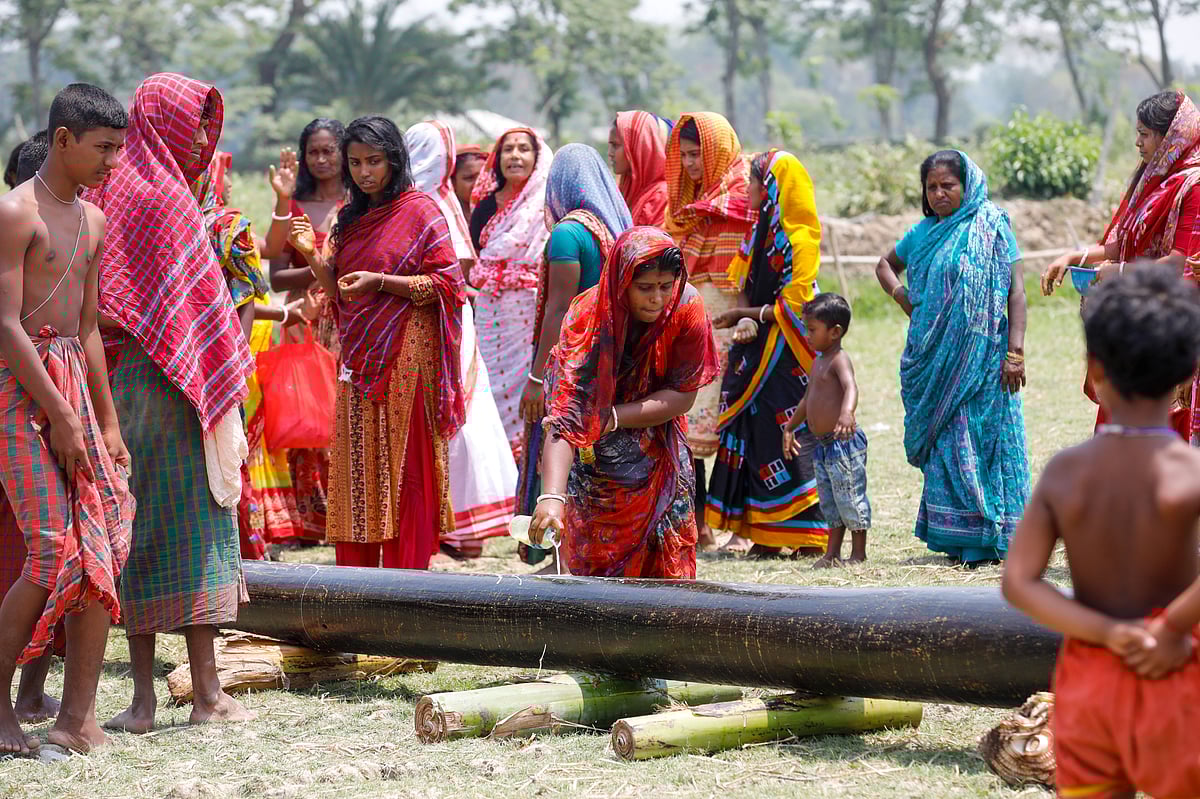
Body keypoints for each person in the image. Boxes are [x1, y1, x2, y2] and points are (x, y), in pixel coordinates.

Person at [89, 73, 255, 733]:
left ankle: (141, 700)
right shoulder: (165, 197)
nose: (199, 138)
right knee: (196, 535)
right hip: (177, 395)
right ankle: (209, 694)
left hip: (123, 384)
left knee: (135, 537)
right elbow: (196, 313)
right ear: (164, 121)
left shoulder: (106, 188)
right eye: (192, 122)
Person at [1002, 263, 1200, 799]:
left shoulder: (1068, 472)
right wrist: (1170, 628)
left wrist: (1106, 633)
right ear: (1187, 373)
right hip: (1174, 672)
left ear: (1095, 368)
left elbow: (1018, 583)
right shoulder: (1188, 470)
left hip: (1091, 676)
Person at [0, 83, 135, 754]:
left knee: (104, 544)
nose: (114, 161)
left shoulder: (95, 221)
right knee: (52, 547)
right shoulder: (14, 213)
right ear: (62, 140)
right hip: (17, 394)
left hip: (75, 392)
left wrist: (104, 425)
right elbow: (4, 324)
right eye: (104, 148)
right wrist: (58, 414)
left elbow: (85, 331)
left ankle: (75, 720)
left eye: (120, 148)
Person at [288, 116, 466, 569]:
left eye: (374, 161)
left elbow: (447, 285)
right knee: (358, 471)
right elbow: (339, 292)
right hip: (359, 358)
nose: (365, 172)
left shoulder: (421, 210)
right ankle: (359, 590)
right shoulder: (351, 217)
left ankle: (407, 584)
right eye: (356, 163)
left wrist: (384, 282)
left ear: (394, 160)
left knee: (406, 471)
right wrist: (312, 254)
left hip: (410, 356)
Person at [529, 227, 719, 578]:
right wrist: (551, 497)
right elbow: (567, 417)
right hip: (597, 456)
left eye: (666, 286)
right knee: (600, 564)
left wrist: (612, 417)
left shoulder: (686, 307)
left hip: (658, 446)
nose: (657, 299)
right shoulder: (589, 320)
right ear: (621, 282)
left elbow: (683, 395)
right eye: (645, 288)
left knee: (665, 565)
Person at [875, 150, 1030, 567]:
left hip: (984, 361)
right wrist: (903, 297)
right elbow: (885, 266)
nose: (940, 194)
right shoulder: (922, 234)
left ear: (968, 185)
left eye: (949, 185)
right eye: (932, 187)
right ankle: (955, 537)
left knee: (980, 440)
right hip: (933, 359)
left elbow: (1016, 292)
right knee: (947, 444)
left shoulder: (993, 226)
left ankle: (989, 537)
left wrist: (1014, 353)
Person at [1042, 90, 1200, 441]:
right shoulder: (1154, 181)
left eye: (1145, 134)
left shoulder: (1193, 185)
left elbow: (1182, 262)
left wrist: (1121, 272)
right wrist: (1073, 257)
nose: (1138, 142)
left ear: (1171, 135)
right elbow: (1121, 243)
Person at [705, 150, 828, 558]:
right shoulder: (756, 229)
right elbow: (742, 278)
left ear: (772, 186)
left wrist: (745, 313)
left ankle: (808, 534)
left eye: (754, 181)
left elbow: (796, 306)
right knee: (756, 438)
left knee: (787, 435)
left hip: (788, 352)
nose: (748, 188)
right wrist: (745, 319)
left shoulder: (801, 239)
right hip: (755, 344)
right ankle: (766, 534)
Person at [405, 120, 516, 558]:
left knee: (455, 411)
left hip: (441, 323)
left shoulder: (428, 204)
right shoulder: (435, 204)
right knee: (456, 412)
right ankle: (453, 526)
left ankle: (454, 524)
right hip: (448, 321)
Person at [516, 144, 632, 555]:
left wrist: (534, 379)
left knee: (561, 441)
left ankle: (557, 548)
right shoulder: (613, 228)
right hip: (610, 356)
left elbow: (559, 308)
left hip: (572, 359)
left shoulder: (568, 233)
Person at [191, 150, 304, 560]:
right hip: (230, 350)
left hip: (238, 348)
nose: (230, 183)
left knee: (241, 443)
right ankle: (235, 547)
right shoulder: (202, 226)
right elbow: (241, 297)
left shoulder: (225, 226)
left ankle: (241, 544)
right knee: (232, 445)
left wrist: (281, 201)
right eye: (224, 175)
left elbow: (271, 249)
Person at [663, 113, 756, 550]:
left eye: (699, 153)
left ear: (718, 151)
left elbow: (757, 271)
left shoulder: (745, 198)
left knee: (739, 422)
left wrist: (746, 321)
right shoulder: (686, 207)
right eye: (684, 156)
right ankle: (698, 525)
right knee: (692, 423)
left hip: (737, 323)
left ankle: (741, 528)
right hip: (693, 324)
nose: (692, 164)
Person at [0, 127, 61, 728]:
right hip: (19, 401)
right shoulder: (19, 226)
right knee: (41, 549)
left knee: (41, 550)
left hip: (38, 396)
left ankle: (28, 693)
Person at [269, 118, 348, 547]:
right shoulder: (294, 206)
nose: (321, 159)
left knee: (341, 415)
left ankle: (343, 516)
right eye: (313, 152)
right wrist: (316, 263)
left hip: (346, 321)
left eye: (329, 150)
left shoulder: (359, 204)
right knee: (303, 416)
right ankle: (307, 521)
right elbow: (277, 278)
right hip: (302, 320)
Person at [469, 127, 553, 457]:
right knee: (487, 383)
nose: (515, 156)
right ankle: (494, 464)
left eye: (523, 149)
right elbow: (478, 255)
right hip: (490, 309)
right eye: (508, 150)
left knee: (525, 387)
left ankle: (523, 464)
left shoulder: (544, 204)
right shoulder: (486, 204)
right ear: (497, 158)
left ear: (537, 158)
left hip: (529, 309)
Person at [782, 293, 870, 568]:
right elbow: (808, 400)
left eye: (812, 330)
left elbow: (851, 387)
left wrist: (847, 412)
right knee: (830, 500)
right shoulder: (818, 360)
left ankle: (858, 553)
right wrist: (790, 427)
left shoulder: (839, 360)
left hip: (842, 443)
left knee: (849, 497)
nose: (807, 335)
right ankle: (832, 553)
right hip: (822, 446)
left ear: (835, 332)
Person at [609, 111, 672, 227]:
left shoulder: (661, 196)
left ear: (636, 147)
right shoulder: (626, 188)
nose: (610, 153)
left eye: (615, 145)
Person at [453, 144, 487, 220]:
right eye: (469, 178)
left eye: (482, 177)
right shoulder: (447, 219)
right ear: (453, 183)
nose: (478, 184)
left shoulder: (499, 215)